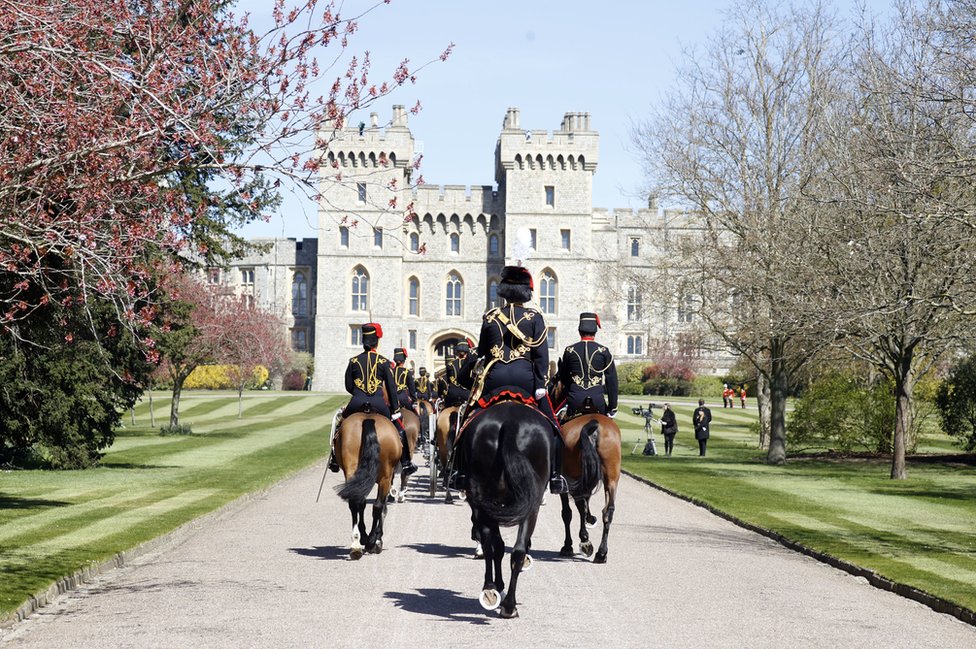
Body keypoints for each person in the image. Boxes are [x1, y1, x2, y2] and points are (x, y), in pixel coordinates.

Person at [469, 265, 567, 494]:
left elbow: (483, 351)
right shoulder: (535, 318)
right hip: (525, 380)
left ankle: (460, 472)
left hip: (494, 379)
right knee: (553, 427)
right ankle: (554, 476)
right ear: (526, 293)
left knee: (466, 420)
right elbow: (541, 356)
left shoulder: (491, 317)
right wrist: (541, 385)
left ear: (503, 291)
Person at [327, 323, 417, 476]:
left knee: (340, 425)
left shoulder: (353, 361)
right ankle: (406, 463)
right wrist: (395, 410)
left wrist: (359, 392)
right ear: (377, 341)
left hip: (356, 402)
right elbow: (391, 389)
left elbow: (348, 386)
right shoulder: (384, 362)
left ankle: (335, 459)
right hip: (378, 404)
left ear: (363, 341)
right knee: (399, 428)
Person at [557, 312, 619, 420]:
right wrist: (612, 408)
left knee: (560, 429)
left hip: (574, 399)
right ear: (595, 331)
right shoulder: (604, 351)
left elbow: (564, 378)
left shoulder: (569, 351)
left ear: (579, 331)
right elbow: (612, 382)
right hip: (597, 400)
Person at [443, 341, 475, 408]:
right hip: (467, 393)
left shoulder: (450, 364)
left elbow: (448, 381)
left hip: (453, 393)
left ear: (457, 352)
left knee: (445, 407)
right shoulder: (472, 363)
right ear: (467, 352)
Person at [391, 348, 417, 413]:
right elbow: (412, 387)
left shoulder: (391, 371)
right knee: (413, 414)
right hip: (403, 397)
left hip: (392, 398)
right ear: (404, 360)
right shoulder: (406, 372)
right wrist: (414, 400)